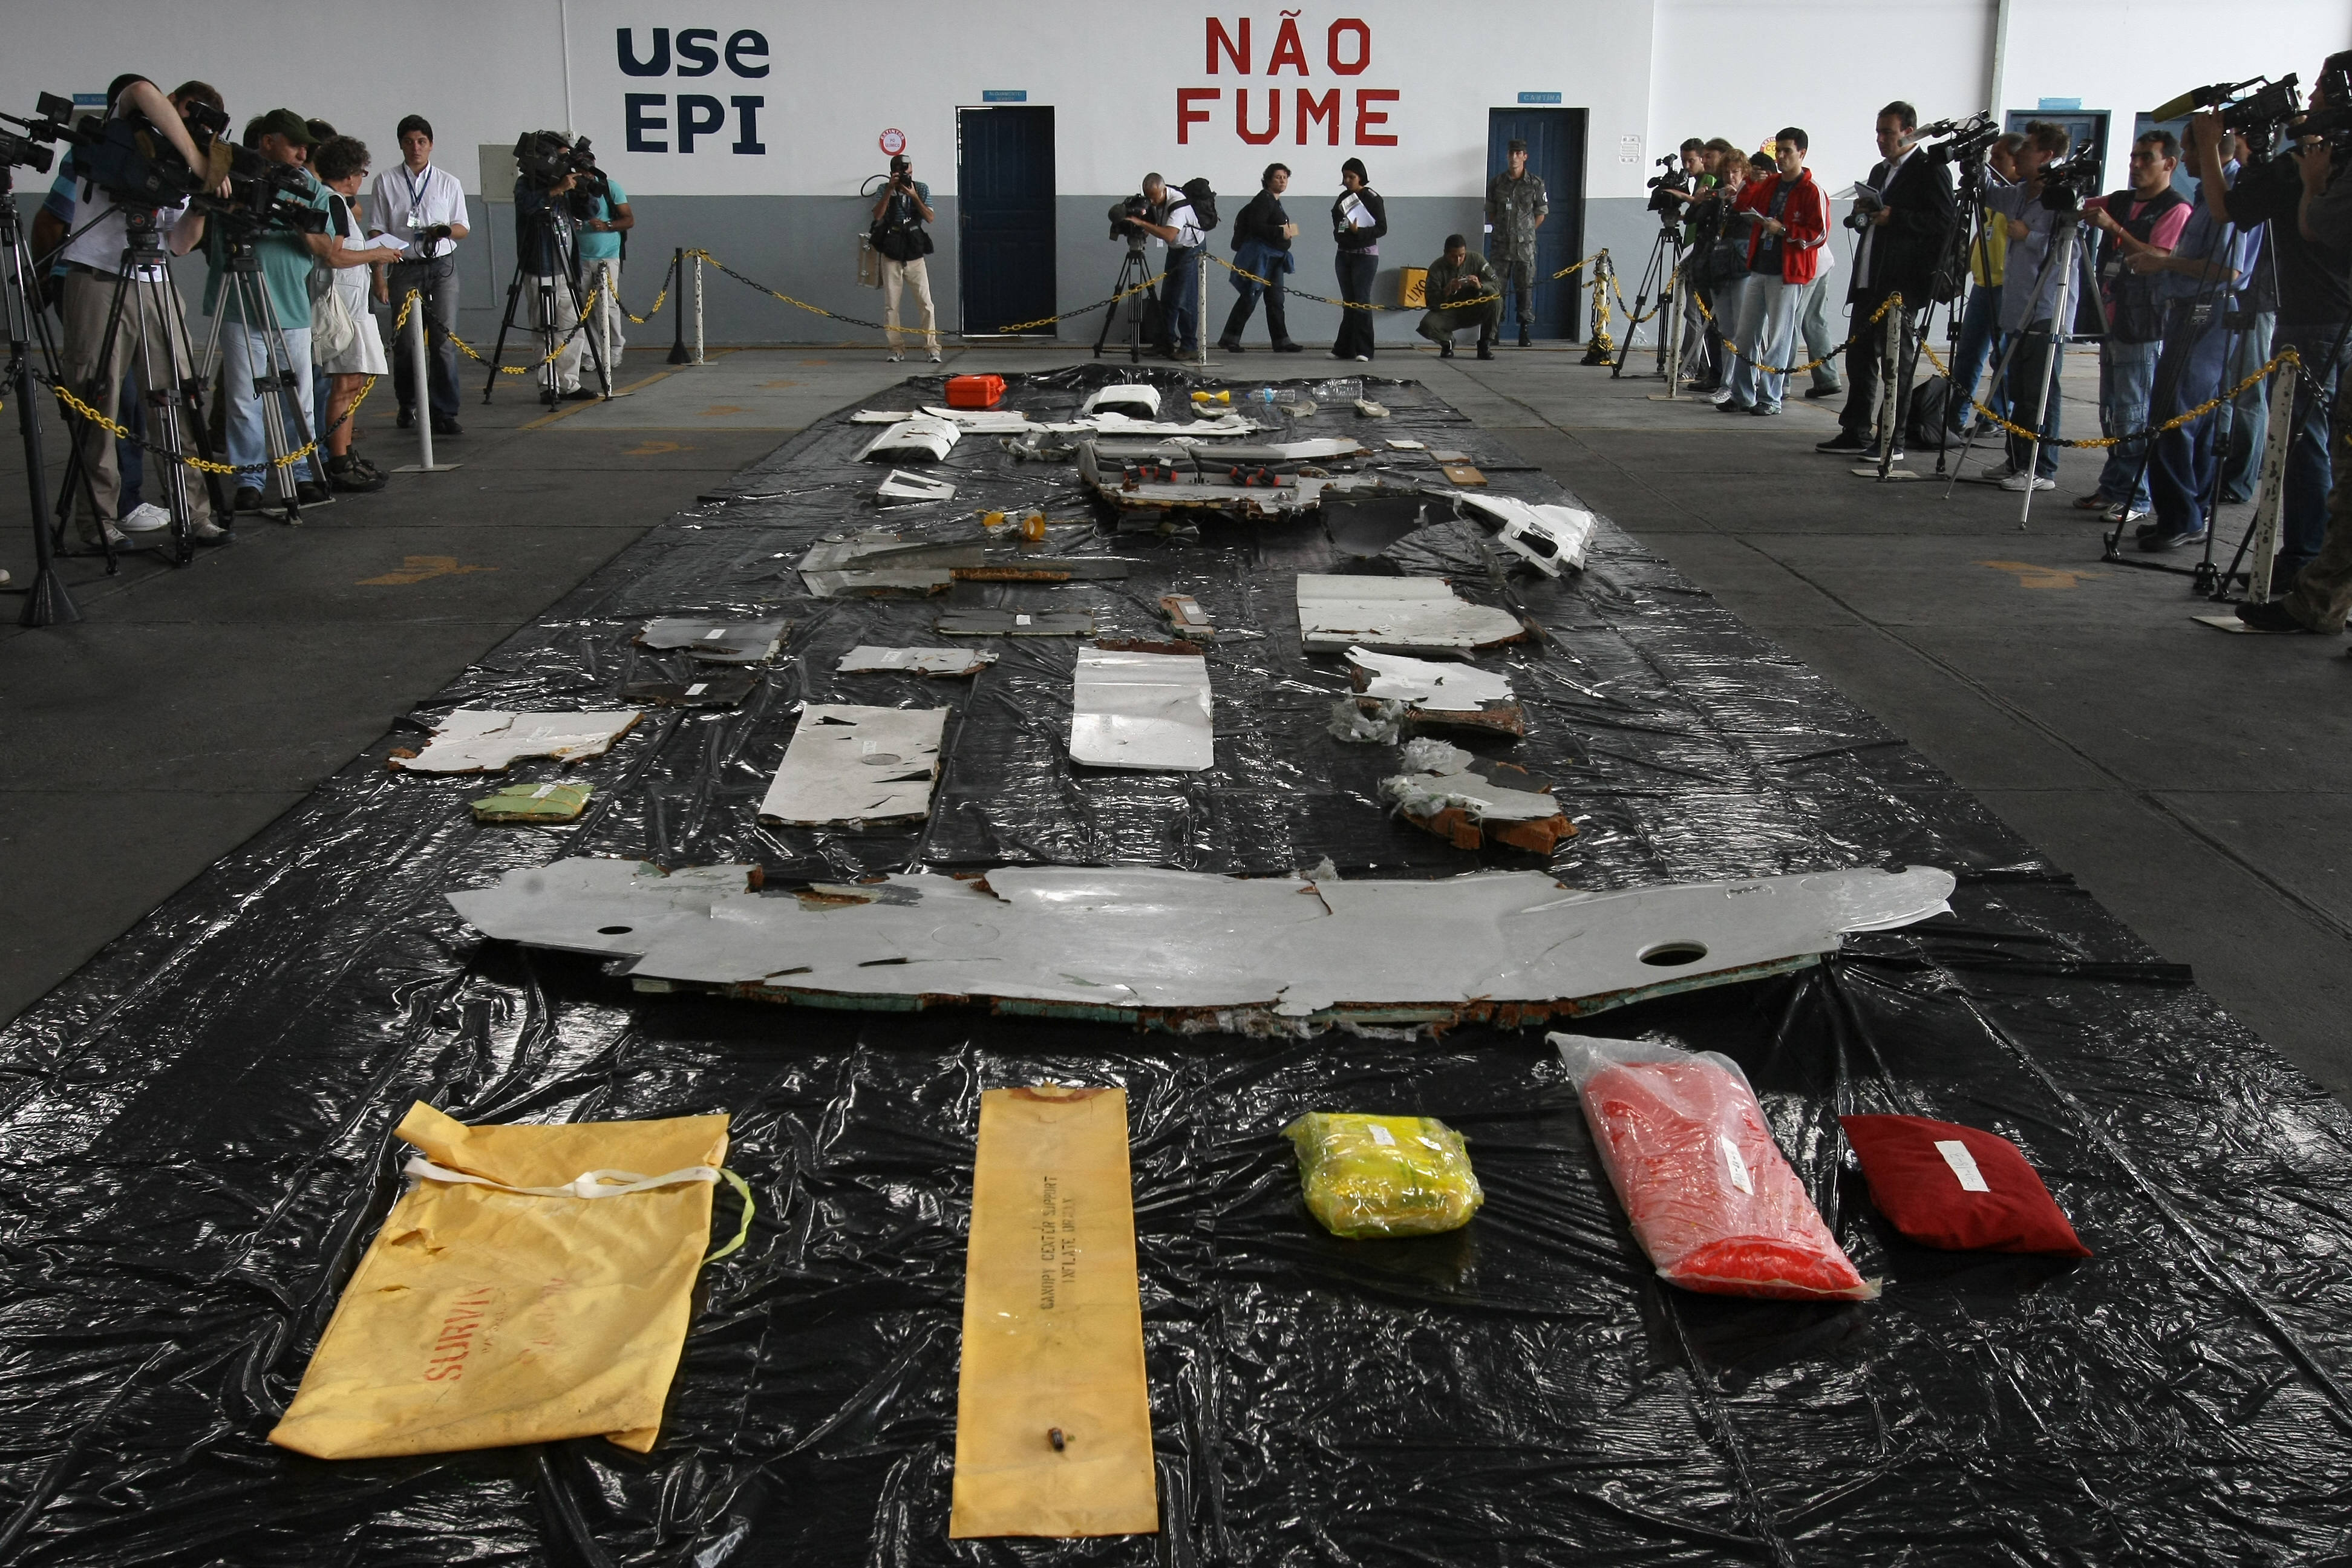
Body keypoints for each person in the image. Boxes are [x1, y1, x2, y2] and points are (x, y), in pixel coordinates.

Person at [48, 76, 225, 548]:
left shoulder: (181, 170)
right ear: (173, 104)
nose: (191, 123)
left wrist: (203, 201)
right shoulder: (125, 127)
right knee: (99, 403)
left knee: (178, 403)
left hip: (155, 281)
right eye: (189, 111)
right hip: (98, 278)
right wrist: (198, 158)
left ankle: (192, 511)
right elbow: (141, 90)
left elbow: (180, 244)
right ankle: (100, 521)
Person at [2212, 54, 2352, 590]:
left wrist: (2207, 137)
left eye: (2320, 89)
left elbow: (2233, 211)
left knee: (2303, 446)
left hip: (2314, 321)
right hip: (2330, 318)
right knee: (2321, 447)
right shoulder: (2322, 156)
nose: (2311, 99)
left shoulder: (2313, 165)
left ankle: (2300, 561)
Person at [202, 109, 354, 512]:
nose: (303, 153)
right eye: (294, 145)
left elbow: (327, 249)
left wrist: (294, 221)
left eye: (307, 146)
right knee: (242, 399)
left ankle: (302, 473)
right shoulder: (231, 177)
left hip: (291, 308)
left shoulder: (310, 189)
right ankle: (249, 478)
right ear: (268, 141)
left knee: (299, 399)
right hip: (239, 303)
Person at [2236, 128, 2352, 632]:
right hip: (2330, 321)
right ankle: (2317, 590)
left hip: (2319, 323)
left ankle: (2308, 571)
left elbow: (2315, 226)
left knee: (2314, 451)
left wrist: (2312, 181)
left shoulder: (2323, 170)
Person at [2132, 112, 2261, 551]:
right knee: (2191, 417)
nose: (2183, 158)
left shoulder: (2231, 195)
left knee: (2175, 415)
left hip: (2209, 315)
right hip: (2192, 311)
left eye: (2188, 149)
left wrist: (2164, 262)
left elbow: (2230, 269)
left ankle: (2183, 515)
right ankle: (2184, 512)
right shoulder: (2210, 196)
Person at [1817, 100, 1956, 460]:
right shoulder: (1880, 172)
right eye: (1878, 132)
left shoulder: (1930, 170)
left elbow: (1945, 224)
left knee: (1898, 360)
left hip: (1903, 281)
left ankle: (1892, 437)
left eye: (1888, 133)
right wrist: (1866, 210)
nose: (1881, 139)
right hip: (1870, 275)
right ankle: (1855, 428)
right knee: (1860, 357)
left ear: (1909, 132)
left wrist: (1898, 217)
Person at [2076, 132, 2192, 523]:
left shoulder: (2175, 210)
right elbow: (2079, 208)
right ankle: (2114, 485)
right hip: (2111, 313)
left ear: (2169, 164)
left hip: (2144, 320)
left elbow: (2157, 257)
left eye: (2147, 158)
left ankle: (2136, 496)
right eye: (2133, 157)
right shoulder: (2122, 201)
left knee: (2132, 410)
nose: (2136, 165)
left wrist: (2113, 229)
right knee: (2111, 408)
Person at [1977, 121, 2088, 492]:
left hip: (2046, 307)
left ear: (2048, 156)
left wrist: (2032, 235)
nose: (2021, 153)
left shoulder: (2064, 196)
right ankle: (2017, 459)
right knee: (2017, 389)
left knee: (2041, 390)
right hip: (2018, 306)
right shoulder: (2020, 193)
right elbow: (1989, 194)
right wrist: (1972, 159)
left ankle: (2042, 467)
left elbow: (2068, 248)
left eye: (2029, 147)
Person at [311, 135, 403, 492]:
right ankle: (338, 460)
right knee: (345, 383)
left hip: (352, 304)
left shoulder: (337, 203)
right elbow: (333, 256)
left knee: (354, 381)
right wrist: (375, 255)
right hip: (342, 307)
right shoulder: (333, 203)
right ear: (350, 175)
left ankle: (345, 452)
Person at [368, 114, 469, 438]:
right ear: (401, 145)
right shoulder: (386, 181)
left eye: (422, 142)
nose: (416, 148)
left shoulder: (447, 182)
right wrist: (379, 276)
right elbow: (377, 230)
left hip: (441, 267)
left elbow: (463, 228)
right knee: (406, 343)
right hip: (404, 267)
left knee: (443, 341)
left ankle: (444, 411)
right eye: (410, 142)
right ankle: (408, 402)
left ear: (431, 145)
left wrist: (443, 232)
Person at [1718, 128, 1828, 417]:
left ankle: (1771, 397)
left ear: (1801, 154)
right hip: (1760, 267)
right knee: (1745, 334)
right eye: (1777, 151)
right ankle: (1742, 394)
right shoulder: (1772, 184)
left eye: (1786, 151)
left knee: (1779, 336)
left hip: (1787, 272)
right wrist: (1750, 184)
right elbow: (1743, 207)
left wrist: (1787, 231)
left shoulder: (1812, 190)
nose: (1779, 157)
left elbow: (1819, 234)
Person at [1943, 134, 2023, 437]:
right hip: (1983, 282)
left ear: (2016, 161)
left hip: (2006, 285)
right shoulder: (1994, 198)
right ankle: (1955, 414)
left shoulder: (2017, 198)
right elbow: (1983, 234)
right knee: (1968, 352)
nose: (1992, 164)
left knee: (2000, 356)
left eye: (1999, 158)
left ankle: (1996, 416)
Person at [512, 151, 598, 401]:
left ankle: (569, 383)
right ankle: (548, 386)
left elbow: (590, 210)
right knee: (544, 330)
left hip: (566, 268)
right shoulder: (527, 183)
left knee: (573, 328)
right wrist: (555, 189)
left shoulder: (568, 183)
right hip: (540, 266)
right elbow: (526, 205)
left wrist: (582, 188)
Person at [1220, 162, 1302, 353]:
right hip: (1263, 258)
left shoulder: (1273, 201)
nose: (1282, 181)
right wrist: (1279, 233)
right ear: (1268, 180)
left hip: (1275, 259)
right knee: (1251, 295)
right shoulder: (1263, 201)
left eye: (1285, 178)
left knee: (1275, 300)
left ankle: (1281, 341)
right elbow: (1257, 226)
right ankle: (1230, 338)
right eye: (1278, 177)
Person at [1123, 173, 1205, 359]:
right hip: (1176, 249)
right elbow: (1154, 224)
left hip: (1191, 249)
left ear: (1163, 190)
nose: (1152, 201)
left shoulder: (1178, 204)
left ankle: (1189, 346)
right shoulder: (1154, 202)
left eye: (1155, 197)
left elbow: (1168, 235)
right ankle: (1164, 343)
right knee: (1167, 297)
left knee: (1184, 299)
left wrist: (1141, 222)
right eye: (1148, 196)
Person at [869, 153, 938, 363]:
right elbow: (878, 215)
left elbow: (930, 218)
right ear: (893, 173)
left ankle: (932, 348)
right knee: (892, 304)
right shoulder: (884, 189)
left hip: (915, 253)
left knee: (926, 303)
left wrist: (914, 195)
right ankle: (896, 348)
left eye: (908, 172)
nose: (906, 176)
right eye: (901, 172)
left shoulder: (922, 188)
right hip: (891, 252)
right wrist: (890, 189)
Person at [1485, 137, 1549, 346]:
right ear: (1507, 155)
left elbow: (1541, 214)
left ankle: (1525, 330)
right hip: (1501, 246)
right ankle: (1494, 331)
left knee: (1525, 289)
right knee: (1496, 289)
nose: (1514, 157)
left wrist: (1525, 233)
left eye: (1518, 153)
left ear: (1525, 157)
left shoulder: (1536, 184)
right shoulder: (1497, 183)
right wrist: (1506, 231)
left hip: (1525, 247)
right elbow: (1492, 212)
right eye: (1511, 153)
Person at [575, 156, 634, 379]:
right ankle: (592, 352)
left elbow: (629, 220)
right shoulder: (572, 189)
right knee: (584, 309)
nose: (585, 175)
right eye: (580, 171)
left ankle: (615, 348)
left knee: (607, 304)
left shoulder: (610, 188)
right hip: (579, 258)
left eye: (587, 171)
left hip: (607, 258)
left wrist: (607, 225)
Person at [1331, 158, 1387, 362]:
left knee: (1362, 300)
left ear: (1361, 177)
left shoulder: (1372, 198)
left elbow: (1382, 228)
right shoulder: (1342, 199)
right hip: (1344, 254)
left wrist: (1359, 231)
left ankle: (1365, 349)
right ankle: (1344, 348)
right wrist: (1343, 233)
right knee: (1349, 302)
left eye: (1351, 177)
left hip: (1365, 256)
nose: (1347, 181)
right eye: (1345, 177)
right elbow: (1338, 224)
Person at [1416, 235, 1501, 359]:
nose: (1458, 260)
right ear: (1445, 254)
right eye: (1453, 256)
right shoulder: (1437, 268)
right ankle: (1447, 343)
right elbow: (1431, 302)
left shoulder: (1476, 260)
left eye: (1462, 256)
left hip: (1475, 308)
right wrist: (1447, 290)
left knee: (1496, 300)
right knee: (1427, 325)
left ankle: (1485, 344)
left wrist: (1480, 286)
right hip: (1450, 312)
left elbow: (1496, 286)